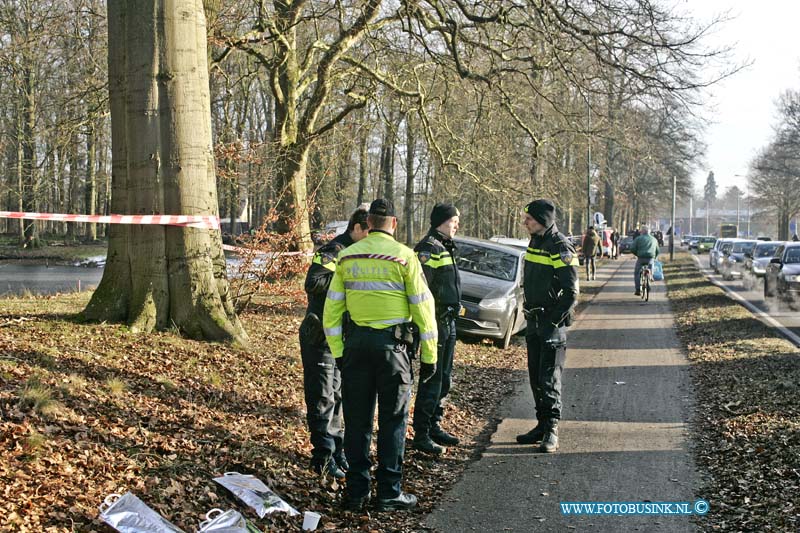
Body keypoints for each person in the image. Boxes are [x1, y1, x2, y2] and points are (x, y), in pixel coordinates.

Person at [323, 199, 438, 512]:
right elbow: (423, 310)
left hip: (356, 348)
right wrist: (430, 356)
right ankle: (388, 491)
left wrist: (339, 353)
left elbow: (331, 310)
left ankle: (356, 492)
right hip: (394, 351)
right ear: (395, 224)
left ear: (369, 223)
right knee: (393, 420)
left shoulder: (346, 257)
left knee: (358, 421)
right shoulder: (406, 258)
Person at [300, 207, 369, 479]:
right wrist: (346, 278)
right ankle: (322, 456)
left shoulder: (357, 253)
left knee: (339, 397)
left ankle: (337, 451)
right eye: (368, 233)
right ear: (357, 228)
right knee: (322, 397)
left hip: (341, 337)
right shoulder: (335, 249)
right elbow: (313, 282)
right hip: (319, 334)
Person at [515, 199, 579, 453]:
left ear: (542, 220)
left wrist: (552, 321)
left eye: (528, 218)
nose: (524, 222)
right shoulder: (536, 241)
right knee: (535, 377)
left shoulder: (560, 246)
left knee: (549, 378)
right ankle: (541, 425)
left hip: (551, 325)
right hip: (533, 321)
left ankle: (551, 430)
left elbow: (571, 292)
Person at [411, 203, 462, 455]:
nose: (457, 225)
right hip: (435, 322)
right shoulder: (428, 248)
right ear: (442, 221)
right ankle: (421, 433)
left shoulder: (445, 246)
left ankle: (434, 425)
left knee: (444, 378)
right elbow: (421, 290)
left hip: (449, 321)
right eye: (454, 220)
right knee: (432, 378)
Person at [630, 226, 660, 296]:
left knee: (637, 273)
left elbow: (632, 248)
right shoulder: (654, 239)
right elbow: (657, 250)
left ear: (642, 232)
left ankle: (638, 290)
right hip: (650, 258)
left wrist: (637, 254)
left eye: (640, 232)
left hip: (641, 258)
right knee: (650, 268)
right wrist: (655, 257)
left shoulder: (638, 239)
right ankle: (650, 275)